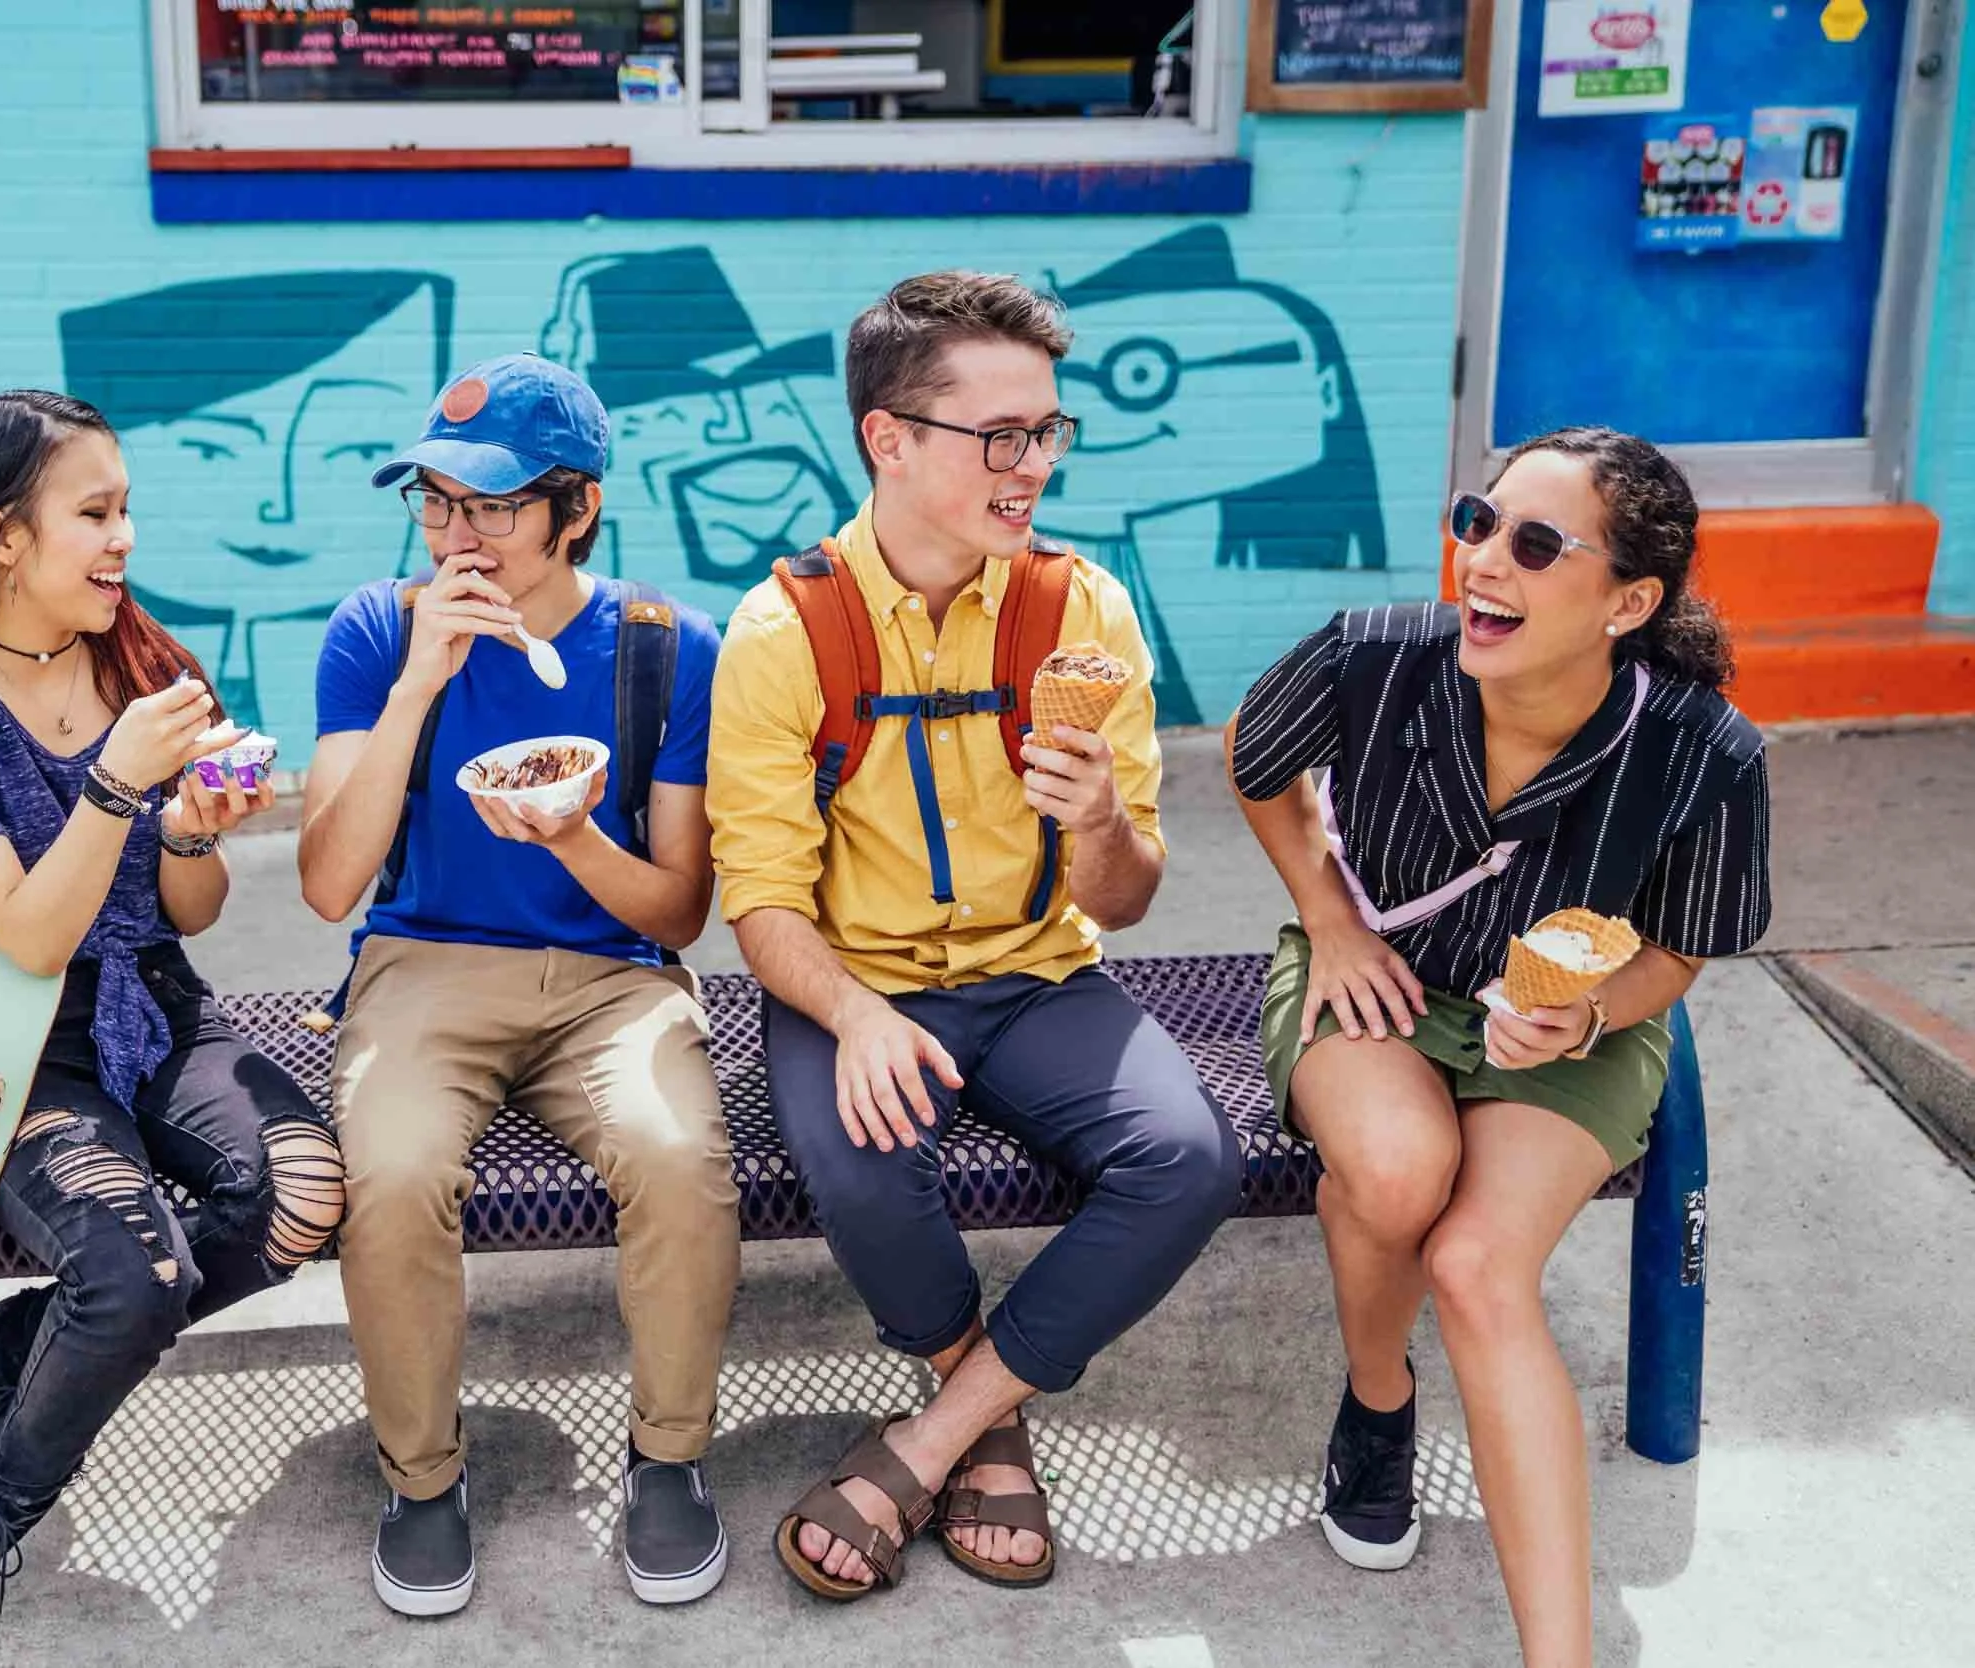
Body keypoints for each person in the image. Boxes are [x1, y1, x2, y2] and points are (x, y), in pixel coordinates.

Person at [707, 271, 1240, 1601]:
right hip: (860, 986)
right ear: (889, 438)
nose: (1034, 466)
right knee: (862, 1167)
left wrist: (1102, 822)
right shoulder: (785, 630)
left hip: (1040, 977)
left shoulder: (1083, 612)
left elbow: (1123, 900)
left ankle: (935, 1438)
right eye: (1000, 437)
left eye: (1047, 431)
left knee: (1187, 1161)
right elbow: (760, 900)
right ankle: (988, 1418)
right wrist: (854, 1017)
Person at [1224, 427, 1771, 1668]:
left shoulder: (1706, 755)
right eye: (1478, 522)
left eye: (1534, 544)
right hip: (1377, 966)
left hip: (1579, 1030)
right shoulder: (1371, 657)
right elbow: (1257, 763)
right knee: (1395, 1173)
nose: (1481, 560)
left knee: (1476, 1266)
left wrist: (1588, 1012)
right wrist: (1327, 920)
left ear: (1627, 603)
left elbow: (1678, 954)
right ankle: (1378, 1406)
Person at [0, 389, 346, 1642]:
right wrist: (118, 784)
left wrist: (192, 832)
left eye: (126, 511)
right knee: (132, 1274)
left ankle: (15, 1344)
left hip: (155, 1010)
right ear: (4, 536)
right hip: (7, 1043)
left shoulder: (150, 671)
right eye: (95, 513)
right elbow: (26, 936)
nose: (124, 539)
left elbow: (189, 913)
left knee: (302, 1191)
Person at [296, 353, 739, 1616]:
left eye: (492, 506)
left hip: (613, 980)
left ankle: (667, 1459)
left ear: (577, 507)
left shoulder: (664, 648)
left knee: (677, 1161)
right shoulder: (377, 630)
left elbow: (680, 911)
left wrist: (572, 838)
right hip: (424, 966)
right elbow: (328, 884)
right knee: (389, 1175)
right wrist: (419, 684)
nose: (457, 536)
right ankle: (421, 1479)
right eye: (436, 501)